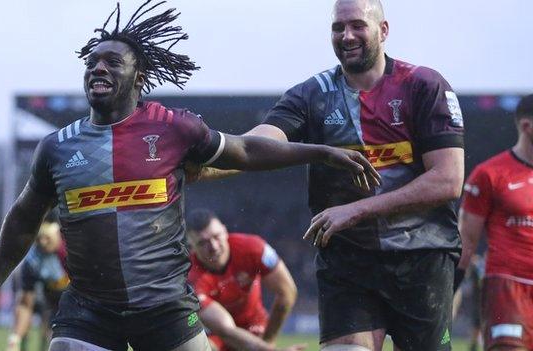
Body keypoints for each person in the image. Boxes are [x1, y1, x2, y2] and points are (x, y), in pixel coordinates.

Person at [0, 2, 379, 350]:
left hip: (165, 308)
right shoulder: (56, 147)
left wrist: (322, 152)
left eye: (112, 62)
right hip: (88, 310)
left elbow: (247, 149)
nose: (98, 69)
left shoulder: (173, 128)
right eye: (92, 63)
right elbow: (21, 220)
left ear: (139, 78)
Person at [197, 0, 465, 349]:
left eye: (357, 25)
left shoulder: (423, 85)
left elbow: (447, 179)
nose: (347, 35)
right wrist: (205, 166)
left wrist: (355, 210)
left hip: (422, 257)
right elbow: (257, 145)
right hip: (348, 261)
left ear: (383, 31)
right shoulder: (313, 94)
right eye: (338, 28)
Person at [459, 94, 533, 351]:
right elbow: (466, 240)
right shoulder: (489, 174)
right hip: (507, 286)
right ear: (526, 126)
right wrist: (449, 291)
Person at [186, 209, 305, 351]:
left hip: (254, 325)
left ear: (225, 230)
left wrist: (268, 341)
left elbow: (287, 292)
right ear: (191, 246)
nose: (213, 247)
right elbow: (225, 330)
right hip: (215, 333)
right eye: (202, 243)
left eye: (216, 236)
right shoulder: (189, 277)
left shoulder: (254, 248)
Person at [6, 221, 68, 351]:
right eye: (39, 239)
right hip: (50, 295)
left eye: (47, 238)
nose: (43, 242)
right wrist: (14, 339)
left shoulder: (73, 250)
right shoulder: (32, 262)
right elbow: (25, 304)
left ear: (57, 234)